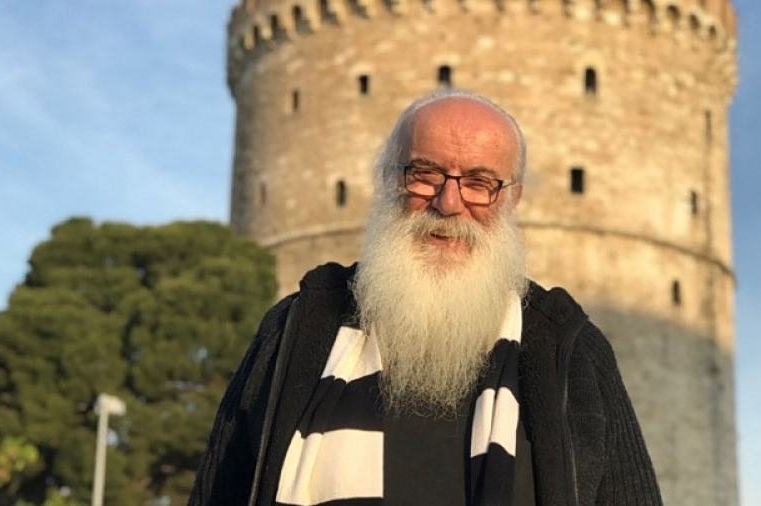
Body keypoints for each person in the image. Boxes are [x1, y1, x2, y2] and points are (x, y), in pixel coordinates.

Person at [189, 89, 662, 506]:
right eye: (425, 174)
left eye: (479, 183)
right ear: (389, 180)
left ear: (511, 199)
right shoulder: (295, 333)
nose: (448, 203)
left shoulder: (568, 351)